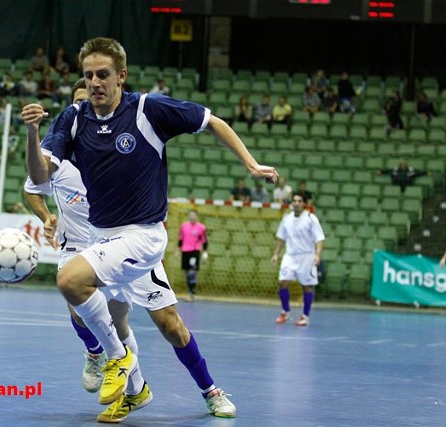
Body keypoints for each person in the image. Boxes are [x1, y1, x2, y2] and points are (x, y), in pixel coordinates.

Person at [22, 36, 277, 419]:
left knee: (158, 319)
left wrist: (252, 165)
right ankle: (136, 390)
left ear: (121, 76)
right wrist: (30, 134)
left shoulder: (148, 109)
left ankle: (207, 389)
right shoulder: (73, 118)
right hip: (101, 239)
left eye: (103, 74)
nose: (94, 82)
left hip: (142, 236)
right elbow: (39, 176)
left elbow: (213, 122)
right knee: (109, 317)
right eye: (88, 75)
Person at [271, 192, 325, 327]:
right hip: (290, 256)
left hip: (306, 256)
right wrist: (276, 254)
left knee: (306, 287)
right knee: (282, 282)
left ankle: (305, 316)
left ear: (304, 204)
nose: (296, 203)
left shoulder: (311, 218)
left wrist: (317, 255)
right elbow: (281, 238)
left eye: (299, 201)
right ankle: (285, 312)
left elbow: (319, 239)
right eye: (294, 201)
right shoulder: (286, 219)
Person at [174, 209, 208, 302]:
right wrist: (177, 251)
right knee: (186, 273)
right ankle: (191, 290)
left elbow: (204, 242)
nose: (192, 217)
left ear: (197, 216)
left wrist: (205, 255)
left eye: (194, 215)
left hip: (195, 251)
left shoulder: (201, 227)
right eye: (191, 215)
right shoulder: (184, 226)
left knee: (192, 272)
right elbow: (180, 240)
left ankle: (191, 293)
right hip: (185, 251)